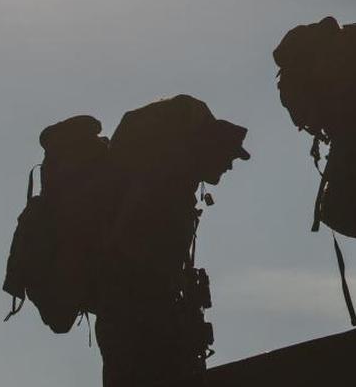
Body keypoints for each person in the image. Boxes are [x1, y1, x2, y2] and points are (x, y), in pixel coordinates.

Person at [94, 95, 249, 387]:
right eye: (228, 156)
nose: (229, 166)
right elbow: (144, 266)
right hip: (139, 327)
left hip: (130, 322)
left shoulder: (168, 189)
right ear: (210, 147)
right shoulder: (165, 194)